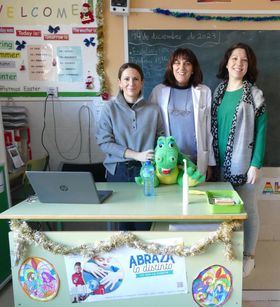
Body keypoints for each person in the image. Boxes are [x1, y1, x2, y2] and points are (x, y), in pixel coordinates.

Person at [211, 42, 267, 278]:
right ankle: (225, 252)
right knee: (224, 213)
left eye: (244, 60)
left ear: (249, 65)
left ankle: (249, 256)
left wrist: (256, 163)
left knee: (247, 211)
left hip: (244, 165)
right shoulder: (217, 91)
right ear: (227, 62)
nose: (239, 64)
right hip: (218, 164)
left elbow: (262, 130)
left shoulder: (254, 94)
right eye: (235, 58)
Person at [96, 62, 165, 230]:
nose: (131, 83)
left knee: (144, 222)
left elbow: (161, 139)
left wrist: (157, 154)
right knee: (122, 226)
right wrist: (136, 154)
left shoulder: (154, 110)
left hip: (146, 172)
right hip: (118, 172)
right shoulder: (109, 108)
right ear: (119, 82)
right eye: (126, 79)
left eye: (136, 79)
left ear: (142, 83)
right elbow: (104, 143)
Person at [148, 48, 216, 180]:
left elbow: (208, 131)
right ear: (171, 67)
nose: (181, 67)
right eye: (177, 63)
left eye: (187, 63)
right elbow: (152, 127)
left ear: (193, 69)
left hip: (196, 159)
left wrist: (209, 162)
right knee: (169, 197)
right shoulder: (159, 91)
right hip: (168, 159)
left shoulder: (204, 91)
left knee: (195, 196)